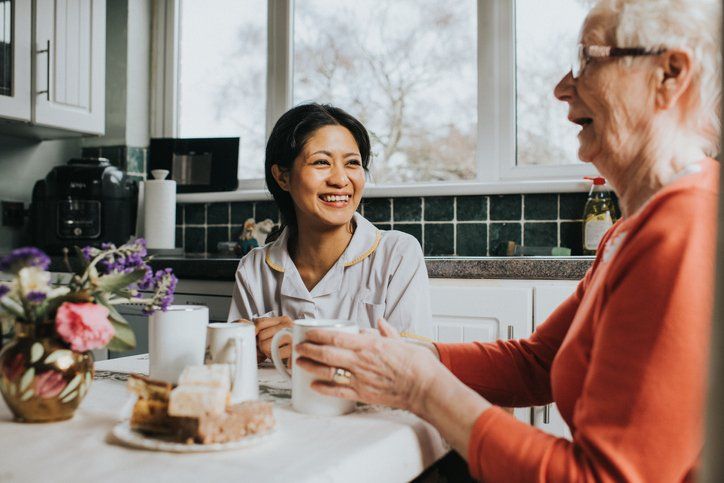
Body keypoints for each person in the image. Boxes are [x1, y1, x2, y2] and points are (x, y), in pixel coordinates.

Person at [294, 0, 721, 480]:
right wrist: (418, 357)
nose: (562, 88)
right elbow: (541, 362)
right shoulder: (633, 228)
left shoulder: (688, 227)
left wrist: (421, 388)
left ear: (670, 73)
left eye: (588, 59)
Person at [227, 103, 433, 361]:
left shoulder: (398, 254)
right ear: (282, 177)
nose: (340, 179)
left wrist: (309, 343)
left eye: (352, 163)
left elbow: (415, 362)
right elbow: (234, 367)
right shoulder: (254, 268)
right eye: (322, 162)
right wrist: (246, 348)